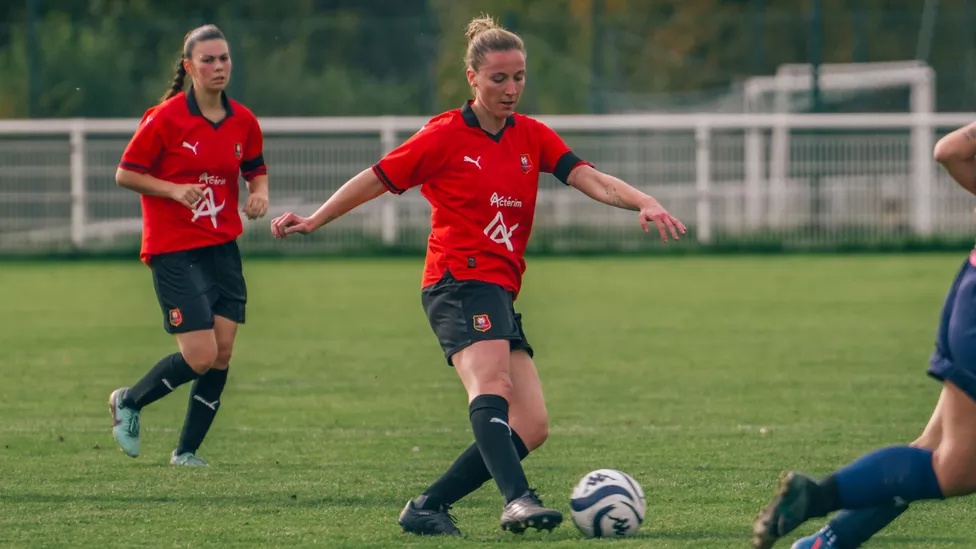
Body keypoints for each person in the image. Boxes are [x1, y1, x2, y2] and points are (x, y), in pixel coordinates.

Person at [271, 13, 685, 536]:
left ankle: (427, 506)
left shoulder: (531, 136)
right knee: (491, 382)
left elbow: (591, 180)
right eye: (498, 79)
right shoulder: (443, 136)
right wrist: (315, 219)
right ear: (472, 77)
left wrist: (644, 201)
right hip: (457, 280)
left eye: (518, 78)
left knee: (532, 425)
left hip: (499, 288)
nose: (511, 89)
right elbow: (375, 179)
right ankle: (517, 500)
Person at [752, 120, 976, 549]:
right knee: (956, 470)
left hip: (968, 290)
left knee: (931, 447)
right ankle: (816, 497)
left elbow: (950, 150)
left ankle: (826, 543)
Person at [108, 24, 269, 467]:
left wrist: (259, 193)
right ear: (189, 67)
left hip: (221, 247)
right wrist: (172, 189)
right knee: (200, 355)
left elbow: (255, 166)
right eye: (208, 60)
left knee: (222, 353)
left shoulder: (243, 120)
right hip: (174, 248)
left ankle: (186, 452)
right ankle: (129, 401)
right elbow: (125, 173)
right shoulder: (164, 118)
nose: (218, 67)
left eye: (224, 58)